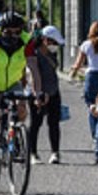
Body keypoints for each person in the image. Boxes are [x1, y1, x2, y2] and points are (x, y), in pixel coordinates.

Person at [0, 12, 43, 179]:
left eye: (16, 32)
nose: (13, 36)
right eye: (8, 32)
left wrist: (38, 92)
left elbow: (33, 68)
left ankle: (15, 135)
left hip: (12, 80)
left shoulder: (27, 40)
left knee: (22, 110)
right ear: (1, 30)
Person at [28, 24, 66, 164]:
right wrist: (37, 93)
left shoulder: (51, 53)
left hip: (53, 90)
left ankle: (55, 153)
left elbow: (55, 66)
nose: (55, 46)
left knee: (54, 123)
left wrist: (48, 54)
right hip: (37, 92)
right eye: (54, 42)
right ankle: (33, 153)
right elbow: (32, 73)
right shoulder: (33, 52)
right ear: (45, 40)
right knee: (35, 123)